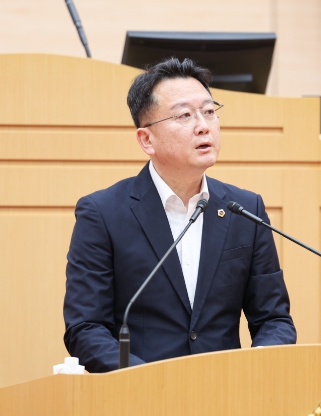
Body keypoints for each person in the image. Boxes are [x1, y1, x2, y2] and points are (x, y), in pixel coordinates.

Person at [63, 58, 296, 373]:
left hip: (227, 390)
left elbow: (274, 320)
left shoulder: (245, 209)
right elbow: (86, 328)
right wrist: (148, 381)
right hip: (140, 393)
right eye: (184, 115)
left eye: (209, 111)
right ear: (147, 140)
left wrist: (253, 370)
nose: (203, 125)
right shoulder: (103, 214)